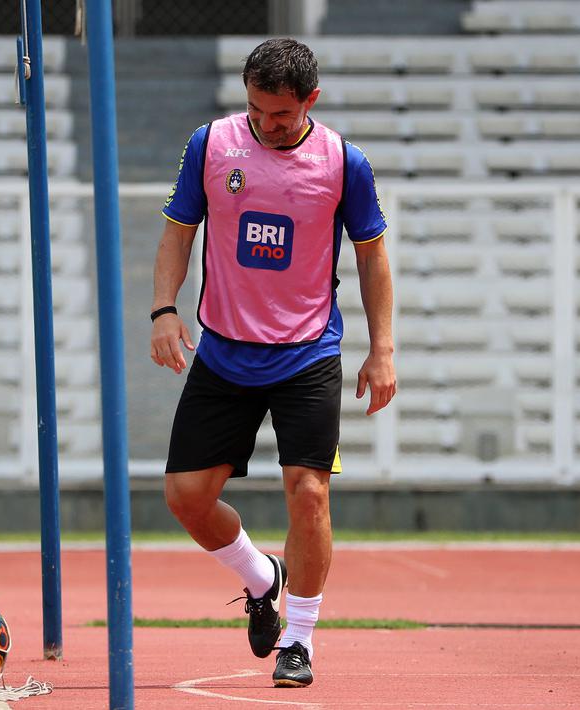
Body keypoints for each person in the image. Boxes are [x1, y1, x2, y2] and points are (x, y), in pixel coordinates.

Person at [150, 38, 395, 688]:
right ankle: (261, 577)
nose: (266, 123)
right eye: (256, 109)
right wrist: (162, 310)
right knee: (186, 498)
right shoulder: (210, 145)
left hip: (307, 354)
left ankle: (299, 640)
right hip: (224, 351)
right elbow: (178, 230)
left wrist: (382, 348)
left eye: (280, 114)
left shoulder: (344, 162)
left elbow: (371, 257)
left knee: (309, 494)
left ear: (309, 100)